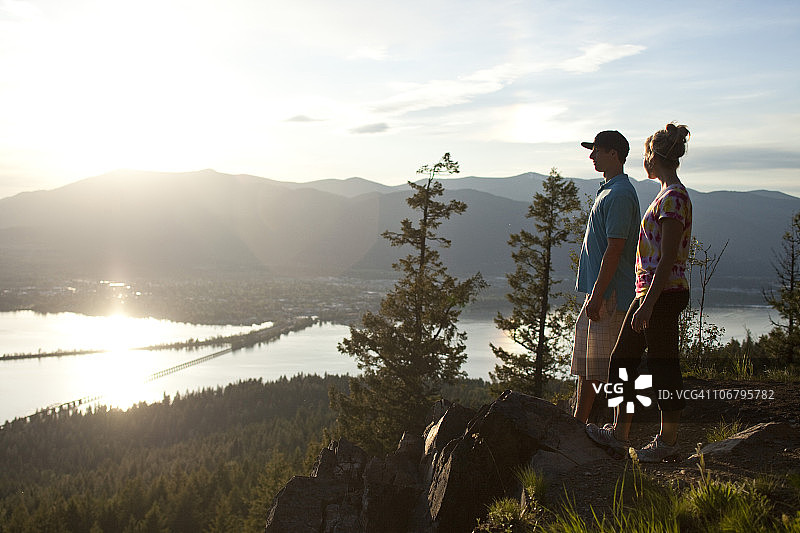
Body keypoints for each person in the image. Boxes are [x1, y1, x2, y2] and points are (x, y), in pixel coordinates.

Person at [586, 123, 693, 463]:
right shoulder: (665, 195)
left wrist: (647, 304)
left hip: (662, 293)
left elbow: (667, 260)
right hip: (650, 292)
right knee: (622, 360)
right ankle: (619, 434)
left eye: (645, 155)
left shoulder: (674, 198)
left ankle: (667, 442)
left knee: (664, 366)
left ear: (652, 158)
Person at [571, 131, 641, 423]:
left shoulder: (621, 195)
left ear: (614, 154)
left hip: (611, 294)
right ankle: (579, 423)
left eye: (597, 150)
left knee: (613, 368)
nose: (591, 156)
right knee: (591, 365)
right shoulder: (609, 190)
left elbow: (615, 250)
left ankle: (617, 431)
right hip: (599, 291)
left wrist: (599, 295)